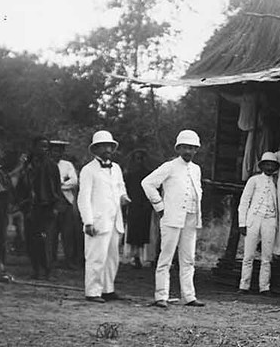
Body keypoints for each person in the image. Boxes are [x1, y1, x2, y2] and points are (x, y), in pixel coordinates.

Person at [142, 129, 205, 308]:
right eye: (185, 147)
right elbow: (147, 183)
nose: (188, 152)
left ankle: (189, 296)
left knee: (188, 259)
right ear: (178, 149)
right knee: (166, 257)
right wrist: (159, 206)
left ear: (196, 150)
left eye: (192, 148)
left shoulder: (196, 169)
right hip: (172, 217)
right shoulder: (169, 166)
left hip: (191, 217)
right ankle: (161, 295)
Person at [78, 131, 129, 303]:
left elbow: (121, 187)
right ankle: (92, 291)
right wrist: (88, 221)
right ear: (96, 149)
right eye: (104, 146)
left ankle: (108, 289)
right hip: (98, 220)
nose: (107, 149)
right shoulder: (88, 170)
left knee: (112, 257)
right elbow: (83, 198)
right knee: (96, 257)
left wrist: (123, 196)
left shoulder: (116, 168)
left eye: (110, 146)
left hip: (115, 220)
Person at [17, 135, 62, 280]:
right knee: (31, 240)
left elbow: (56, 188)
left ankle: (47, 270)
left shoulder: (52, 166)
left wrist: (55, 207)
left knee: (46, 240)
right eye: (41, 146)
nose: (44, 149)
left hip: (47, 207)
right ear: (34, 147)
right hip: (30, 208)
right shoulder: (26, 166)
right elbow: (20, 186)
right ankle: (35, 269)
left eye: (46, 146)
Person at [238, 152, 280, 293]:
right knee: (248, 255)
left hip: (270, 219)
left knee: (267, 256)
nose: (269, 167)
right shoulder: (254, 180)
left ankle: (264, 287)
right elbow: (244, 201)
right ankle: (244, 285)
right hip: (254, 218)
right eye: (266, 164)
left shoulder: (277, 182)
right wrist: (242, 223)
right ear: (262, 166)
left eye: (272, 165)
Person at [49, 139, 82, 268]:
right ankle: (51, 260)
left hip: (66, 202)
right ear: (50, 151)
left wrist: (60, 185)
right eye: (54, 150)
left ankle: (69, 260)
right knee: (51, 233)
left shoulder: (67, 165)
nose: (57, 153)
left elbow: (74, 181)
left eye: (59, 151)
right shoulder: (46, 164)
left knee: (68, 233)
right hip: (51, 202)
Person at [124, 148, 156, 268]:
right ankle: (135, 257)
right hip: (133, 206)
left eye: (141, 158)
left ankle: (147, 258)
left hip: (146, 207)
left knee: (147, 232)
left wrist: (151, 203)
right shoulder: (129, 175)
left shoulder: (150, 174)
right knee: (133, 232)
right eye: (137, 158)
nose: (139, 161)